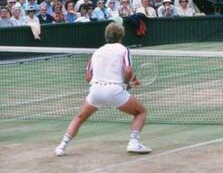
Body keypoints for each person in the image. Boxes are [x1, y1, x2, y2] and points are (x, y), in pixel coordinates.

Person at [55, 23, 152, 156]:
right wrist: (125, 84)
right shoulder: (124, 50)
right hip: (114, 92)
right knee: (141, 112)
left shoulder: (97, 52)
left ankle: (62, 146)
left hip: (96, 91)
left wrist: (102, 83)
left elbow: (88, 77)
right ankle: (133, 143)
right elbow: (128, 70)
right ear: (121, 36)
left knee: (80, 117)